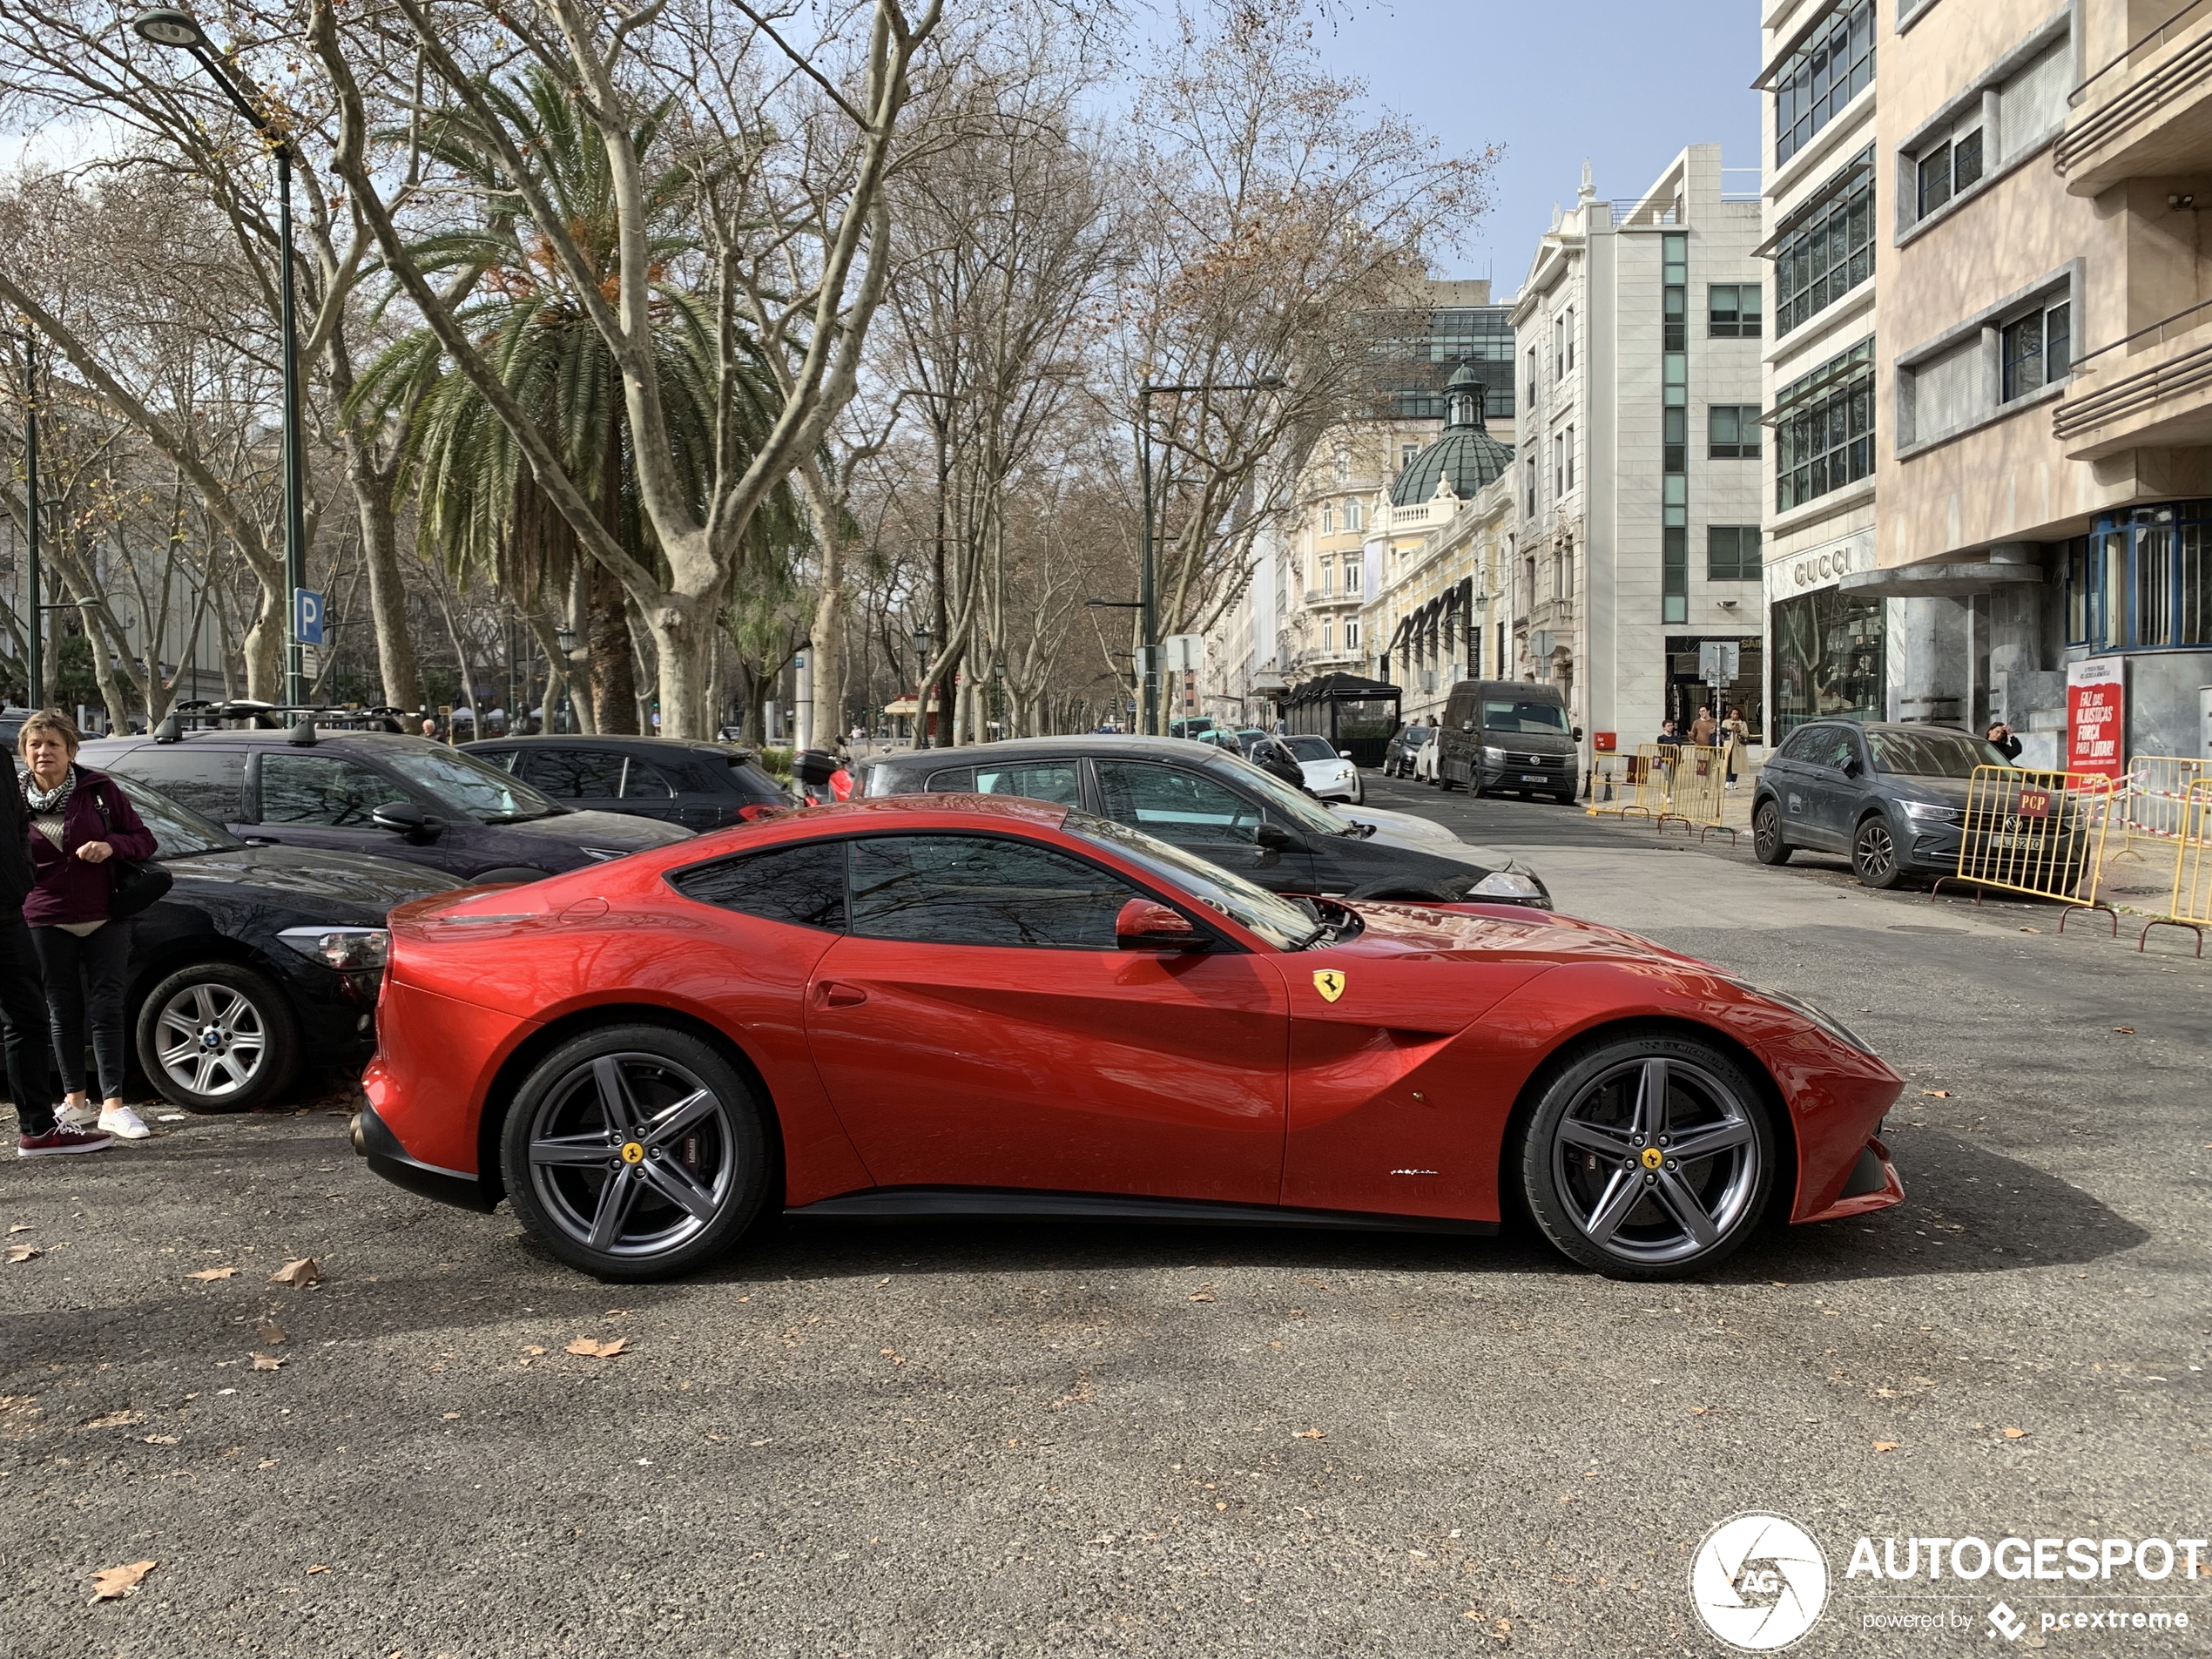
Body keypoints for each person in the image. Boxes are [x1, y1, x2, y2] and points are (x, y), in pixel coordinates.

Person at [19, 711, 157, 1143]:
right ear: (24, 754)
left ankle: (114, 1104)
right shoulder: (12, 799)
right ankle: (75, 1101)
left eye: (53, 745)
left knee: (107, 1007)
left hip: (105, 915)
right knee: (60, 1009)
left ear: (71, 751)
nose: (44, 752)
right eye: (35, 745)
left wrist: (109, 845)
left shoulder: (99, 790)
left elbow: (144, 840)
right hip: (43, 916)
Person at [4, 725, 102, 1157]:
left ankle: (39, 1129)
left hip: (9, 909)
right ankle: (40, 1128)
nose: (42, 751)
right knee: (28, 1017)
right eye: (35, 744)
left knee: (27, 1018)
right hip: (15, 908)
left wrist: (20, 882)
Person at [1721, 705, 1751, 788]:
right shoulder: (1725, 722)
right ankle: (1728, 781)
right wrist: (1730, 729)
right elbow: (1722, 733)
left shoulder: (1743, 723)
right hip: (1728, 746)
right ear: (1730, 714)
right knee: (1728, 763)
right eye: (1734, 714)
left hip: (1738, 746)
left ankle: (1734, 781)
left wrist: (1739, 731)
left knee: (1737, 765)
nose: (1735, 716)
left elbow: (1746, 734)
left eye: (1737, 714)